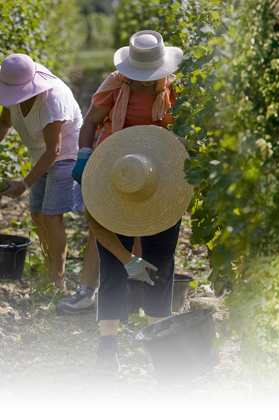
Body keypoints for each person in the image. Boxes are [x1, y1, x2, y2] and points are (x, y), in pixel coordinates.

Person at [78, 30, 190, 376]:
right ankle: (107, 347)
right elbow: (91, 123)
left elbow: (188, 128)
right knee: (113, 265)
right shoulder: (115, 85)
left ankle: (159, 342)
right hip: (117, 176)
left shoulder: (174, 90)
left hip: (162, 179)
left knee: (160, 265)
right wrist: (84, 156)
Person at [0, 53, 100, 309]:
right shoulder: (13, 91)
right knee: (36, 215)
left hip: (65, 155)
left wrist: (23, 184)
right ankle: (49, 275)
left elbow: (53, 150)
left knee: (51, 216)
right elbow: (4, 122)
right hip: (40, 155)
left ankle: (58, 283)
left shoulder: (51, 100)